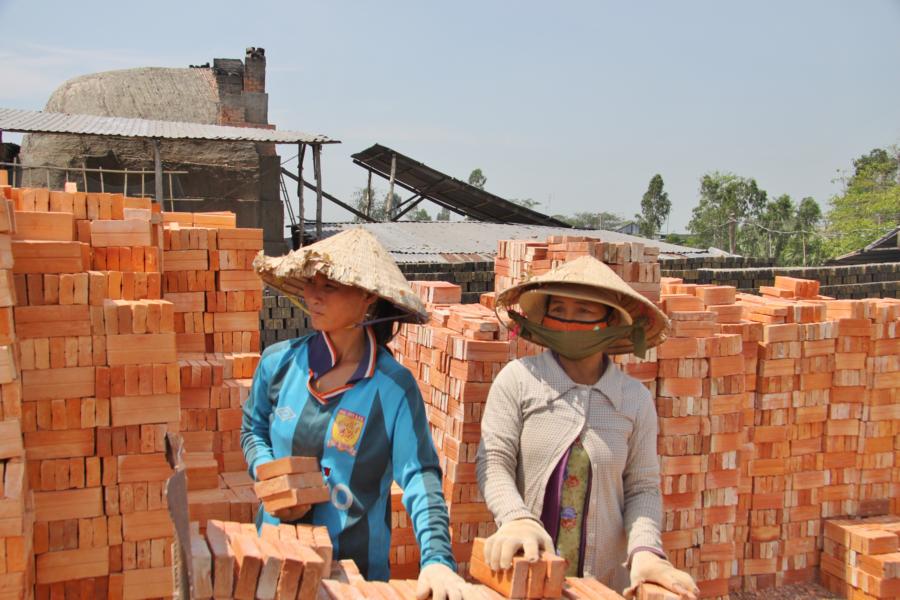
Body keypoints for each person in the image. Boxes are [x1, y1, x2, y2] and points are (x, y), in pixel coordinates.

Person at [243, 228, 477, 600]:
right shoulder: (279, 363)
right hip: (273, 559)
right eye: (309, 282)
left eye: (330, 285)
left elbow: (420, 478)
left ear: (368, 295)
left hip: (355, 578)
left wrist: (436, 559)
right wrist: (270, 477)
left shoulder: (393, 389)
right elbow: (253, 430)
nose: (313, 295)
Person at [476, 256, 699, 599]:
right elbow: (494, 461)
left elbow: (642, 488)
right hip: (524, 574)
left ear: (610, 320)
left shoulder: (633, 399)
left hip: (603, 582)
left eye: (583, 311)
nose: (568, 320)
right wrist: (515, 517)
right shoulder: (519, 380)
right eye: (559, 308)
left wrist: (645, 551)